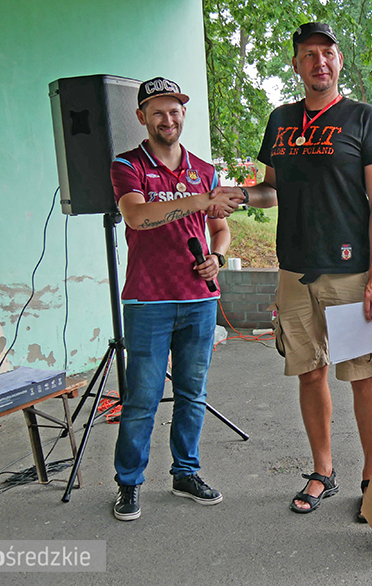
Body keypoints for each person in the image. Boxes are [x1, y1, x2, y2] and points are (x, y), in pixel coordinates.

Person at [212, 22, 372, 517]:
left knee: (361, 375)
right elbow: (272, 190)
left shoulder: (362, 118)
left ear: (339, 62)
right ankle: (323, 471)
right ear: (295, 64)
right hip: (293, 272)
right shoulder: (281, 119)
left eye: (328, 52)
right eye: (309, 53)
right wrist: (242, 195)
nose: (320, 61)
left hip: (351, 272)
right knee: (308, 373)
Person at [109, 77, 240, 521]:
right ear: (142, 116)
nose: (169, 119)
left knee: (192, 392)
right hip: (148, 300)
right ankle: (129, 482)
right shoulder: (127, 165)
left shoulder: (204, 169)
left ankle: (185, 472)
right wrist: (200, 200)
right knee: (142, 398)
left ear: (184, 114)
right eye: (159, 111)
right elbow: (137, 215)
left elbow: (219, 227)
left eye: (176, 110)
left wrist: (217, 258)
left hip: (199, 298)